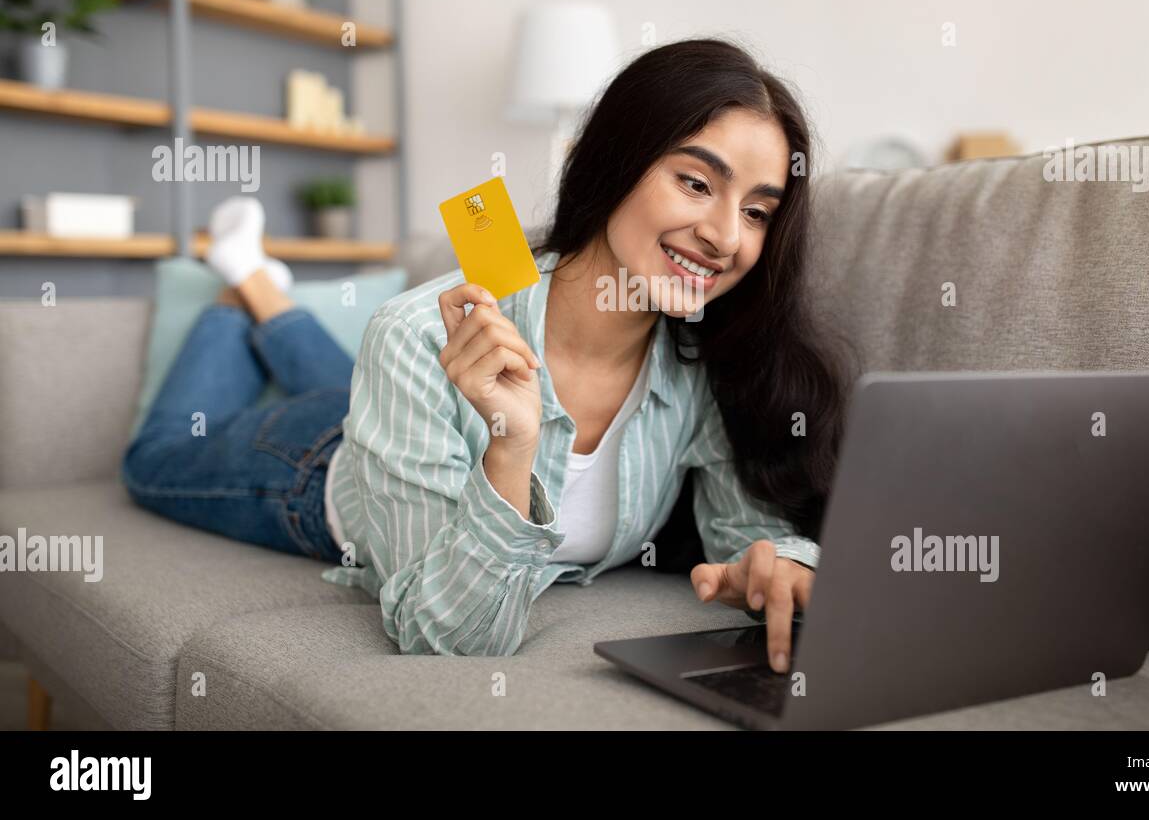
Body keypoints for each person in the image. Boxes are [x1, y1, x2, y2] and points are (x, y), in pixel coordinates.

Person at [122, 37, 847, 673]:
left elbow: (744, 535)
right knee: (153, 459)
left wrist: (781, 562)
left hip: (404, 416)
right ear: (615, 163)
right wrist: (509, 448)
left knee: (362, 381)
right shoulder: (414, 334)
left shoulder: (702, 362)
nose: (726, 235)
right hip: (315, 470)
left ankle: (266, 293)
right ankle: (238, 286)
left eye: (757, 211)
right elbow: (445, 635)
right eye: (696, 182)